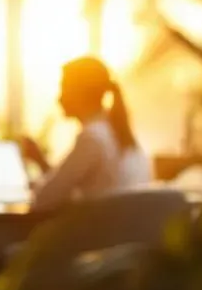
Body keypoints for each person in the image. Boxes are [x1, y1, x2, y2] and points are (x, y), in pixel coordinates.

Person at [20, 55, 152, 212]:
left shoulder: (92, 139)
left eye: (64, 88)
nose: (59, 98)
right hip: (123, 232)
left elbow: (43, 200)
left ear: (80, 92)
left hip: (97, 234)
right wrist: (42, 163)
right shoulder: (121, 134)